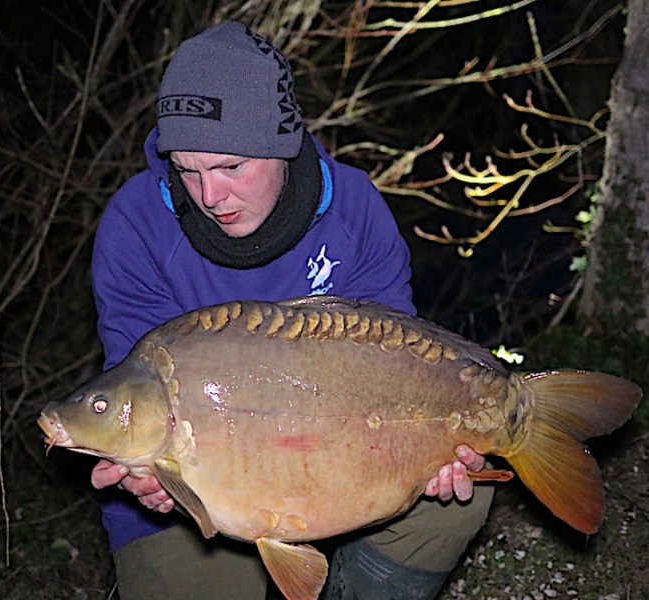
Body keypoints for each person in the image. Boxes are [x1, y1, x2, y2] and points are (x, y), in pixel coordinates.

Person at [89, 21, 493, 600]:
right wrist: (149, 479)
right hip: (202, 490)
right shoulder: (136, 226)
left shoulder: (352, 209)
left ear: (282, 146)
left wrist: (431, 449)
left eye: (231, 167)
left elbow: (396, 371)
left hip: (345, 464)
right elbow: (135, 390)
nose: (209, 196)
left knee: (459, 495)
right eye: (187, 168)